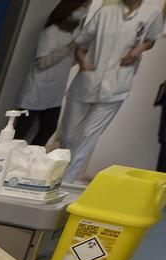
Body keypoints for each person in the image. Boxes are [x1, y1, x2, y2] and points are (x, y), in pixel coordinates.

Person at [62, 0, 163, 182]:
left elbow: (151, 39)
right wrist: (83, 61)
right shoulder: (106, 12)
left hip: (117, 86)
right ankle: (56, 176)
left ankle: (65, 182)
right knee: (68, 137)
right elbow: (80, 43)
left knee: (87, 137)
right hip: (87, 80)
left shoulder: (152, 12)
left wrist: (139, 49)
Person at [15, 0, 90, 145]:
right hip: (35, 92)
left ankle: (30, 162)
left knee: (48, 130)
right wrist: (70, 47)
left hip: (54, 93)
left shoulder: (74, 33)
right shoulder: (50, 33)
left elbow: (67, 63)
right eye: (83, 7)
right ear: (70, 8)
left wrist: (81, 53)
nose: (85, 10)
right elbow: (42, 63)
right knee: (20, 133)